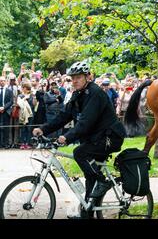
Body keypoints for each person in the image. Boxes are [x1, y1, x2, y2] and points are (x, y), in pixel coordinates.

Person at [32, 62, 126, 219]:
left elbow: (86, 123)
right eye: (72, 78)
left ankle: (102, 181)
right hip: (97, 138)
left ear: (88, 77)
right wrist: (44, 128)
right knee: (90, 175)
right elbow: (64, 116)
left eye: (78, 77)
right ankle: (87, 213)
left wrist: (67, 137)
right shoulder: (78, 94)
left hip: (110, 138)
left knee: (80, 153)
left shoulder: (96, 94)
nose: (74, 81)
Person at [0, 77, 13, 148]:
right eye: (1, 81)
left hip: (6, 111)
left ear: (5, 82)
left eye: (3, 81)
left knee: (6, 128)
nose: (2, 82)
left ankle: (6, 144)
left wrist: (4, 107)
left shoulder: (9, 91)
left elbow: (11, 101)